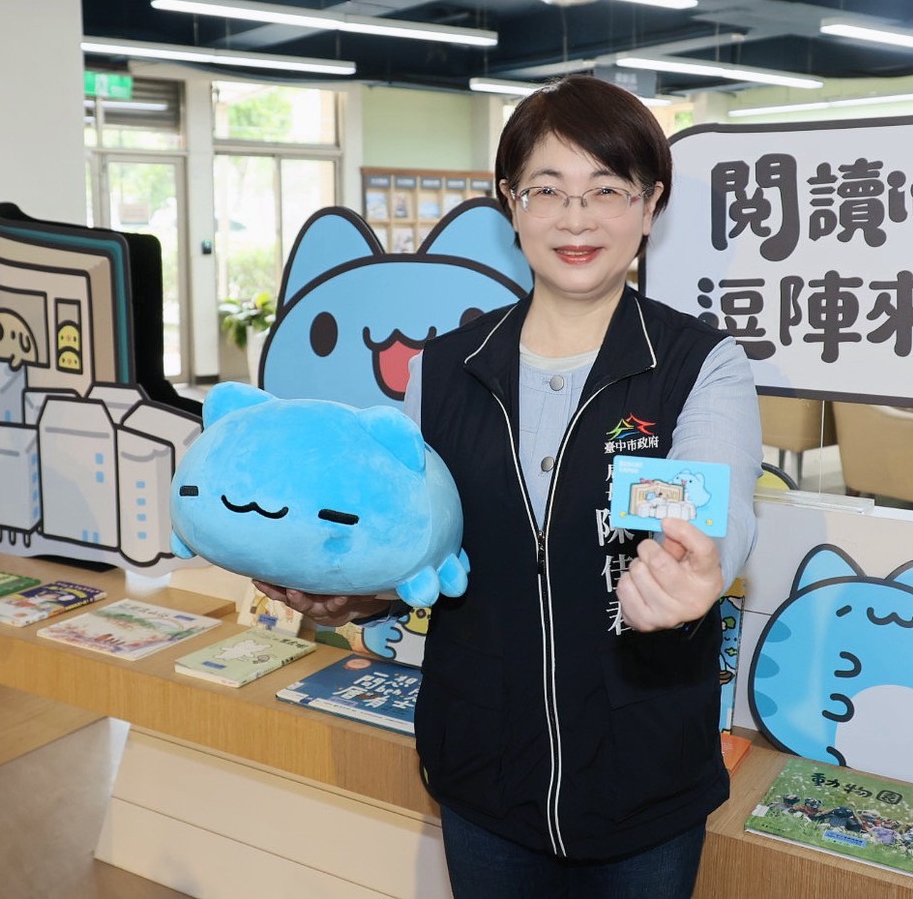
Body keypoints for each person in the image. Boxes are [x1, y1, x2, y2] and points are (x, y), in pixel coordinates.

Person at [254, 75, 761, 897]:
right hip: (481, 767)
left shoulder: (696, 364)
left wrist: (696, 568)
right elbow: (421, 544)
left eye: (607, 189)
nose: (575, 219)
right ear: (509, 203)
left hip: (643, 774)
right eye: (546, 190)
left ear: (649, 204)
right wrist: (353, 594)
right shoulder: (444, 369)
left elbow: (716, 508)